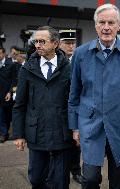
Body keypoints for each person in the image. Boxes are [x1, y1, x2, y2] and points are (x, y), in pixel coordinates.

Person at [68, 4, 120, 189]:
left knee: (119, 181)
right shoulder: (81, 54)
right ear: (96, 26)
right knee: (89, 178)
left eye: (111, 22)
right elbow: (74, 95)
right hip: (90, 125)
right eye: (102, 22)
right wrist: (74, 126)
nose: (106, 27)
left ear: (118, 26)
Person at [12, 26, 73, 189]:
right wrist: (18, 134)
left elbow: (75, 102)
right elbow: (20, 104)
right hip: (36, 132)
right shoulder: (27, 68)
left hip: (62, 133)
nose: (37, 45)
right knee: (37, 179)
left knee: (60, 182)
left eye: (42, 41)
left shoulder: (69, 68)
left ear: (55, 43)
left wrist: (77, 129)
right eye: (36, 41)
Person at [59, 29, 83, 184]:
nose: (70, 46)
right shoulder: (55, 60)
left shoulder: (81, 60)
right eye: (67, 43)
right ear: (59, 43)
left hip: (77, 108)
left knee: (76, 142)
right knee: (60, 143)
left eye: (72, 43)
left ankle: (75, 170)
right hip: (59, 108)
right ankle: (59, 172)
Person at [0, 47, 14, 143]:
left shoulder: (10, 64)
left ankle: (6, 132)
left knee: (7, 115)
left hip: (7, 94)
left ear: (4, 54)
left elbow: (14, 80)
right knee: (1, 114)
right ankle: (3, 134)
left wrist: (10, 92)